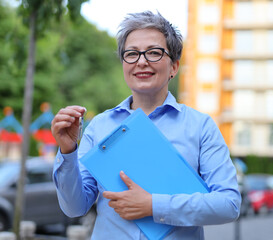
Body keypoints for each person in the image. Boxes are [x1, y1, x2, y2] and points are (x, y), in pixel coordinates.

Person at [51, 11, 241, 240]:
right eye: (131, 54)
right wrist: (67, 151)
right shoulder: (98, 127)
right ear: (123, 64)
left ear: (174, 67)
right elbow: (74, 207)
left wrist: (154, 205)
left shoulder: (200, 127)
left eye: (153, 52)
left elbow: (228, 204)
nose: (141, 61)